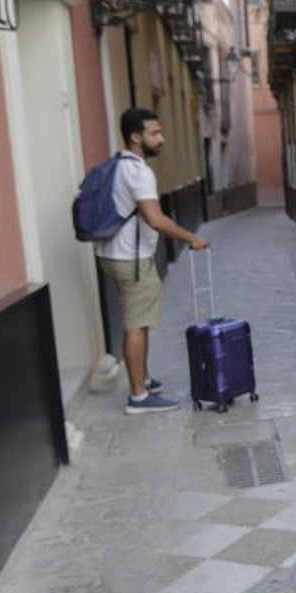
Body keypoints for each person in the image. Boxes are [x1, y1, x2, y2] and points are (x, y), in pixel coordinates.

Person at [97, 108, 209, 415]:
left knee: (138, 321)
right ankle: (139, 396)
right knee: (136, 324)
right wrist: (192, 238)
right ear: (136, 137)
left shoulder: (118, 165)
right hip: (132, 260)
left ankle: (142, 377)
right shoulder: (141, 172)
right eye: (154, 133)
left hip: (112, 254)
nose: (161, 139)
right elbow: (155, 219)